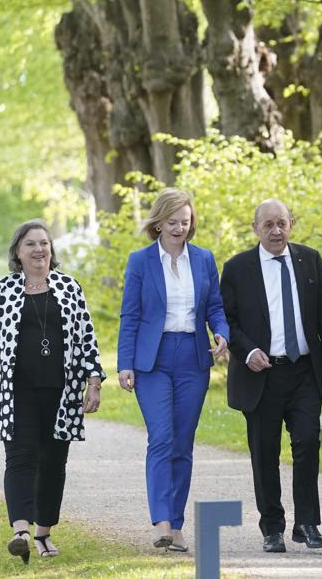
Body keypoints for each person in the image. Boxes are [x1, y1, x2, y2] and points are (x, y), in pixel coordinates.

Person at [0, 220, 104, 564]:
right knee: (19, 458)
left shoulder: (69, 288)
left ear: (51, 250)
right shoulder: (4, 290)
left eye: (44, 243)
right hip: (16, 393)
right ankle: (20, 532)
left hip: (62, 393)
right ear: (18, 251)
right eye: (30, 244)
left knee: (53, 463)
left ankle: (43, 533)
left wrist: (94, 383)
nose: (39, 249)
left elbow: (88, 341)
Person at [220, 199, 322, 553]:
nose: (276, 231)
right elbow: (227, 320)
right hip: (262, 374)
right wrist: (246, 352)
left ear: (292, 223)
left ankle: (307, 523)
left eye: (282, 223)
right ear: (255, 228)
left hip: (305, 370)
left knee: (307, 442)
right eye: (268, 225)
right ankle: (271, 527)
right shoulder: (238, 268)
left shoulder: (309, 259)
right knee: (264, 451)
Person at [117, 189, 230, 551]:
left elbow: (215, 305)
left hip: (193, 359)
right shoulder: (140, 261)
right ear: (159, 222)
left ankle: (177, 525)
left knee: (182, 443)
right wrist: (124, 364)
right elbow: (130, 315)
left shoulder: (204, 259)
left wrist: (222, 334)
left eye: (186, 221)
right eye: (173, 222)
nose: (180, 227)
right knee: (162, 438)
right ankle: (162, 521)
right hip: (153, 360)